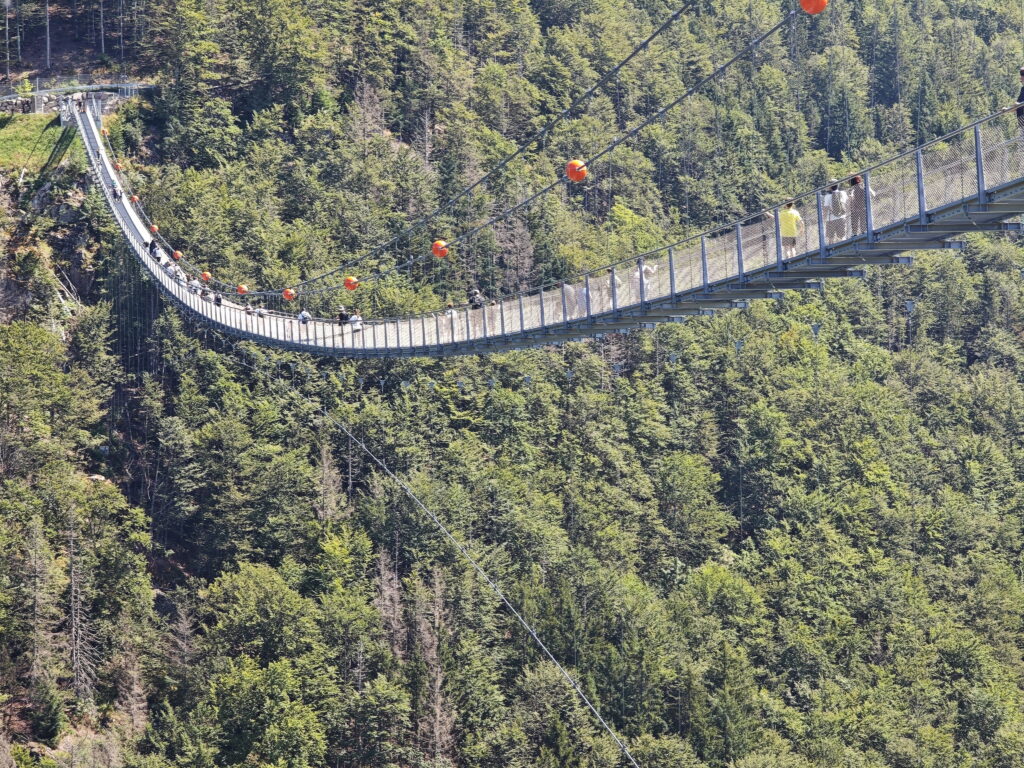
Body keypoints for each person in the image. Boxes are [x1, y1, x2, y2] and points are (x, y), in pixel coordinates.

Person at [1016, 67, 1024, 135]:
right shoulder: (1023, 90)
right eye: (1021, 74)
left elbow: (1017, 105)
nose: (1021, 76)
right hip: (1022, 124)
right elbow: (1017, 105)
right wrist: (1007, 110)